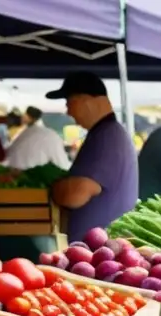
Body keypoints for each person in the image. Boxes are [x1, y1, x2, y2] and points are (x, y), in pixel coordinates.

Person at [44, 73, 137, 243]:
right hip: (96, 252)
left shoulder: (107, 137)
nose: (68, 111)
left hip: (98, 255)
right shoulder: (106, 133)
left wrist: (55, 188)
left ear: (86, 100)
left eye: (69, 102)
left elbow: (75, 194)